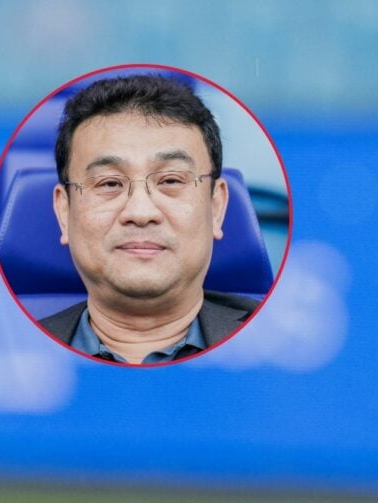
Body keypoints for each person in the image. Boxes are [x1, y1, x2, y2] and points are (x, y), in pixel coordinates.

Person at [42, 74, 257, 364]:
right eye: (109, 184)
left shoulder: (280, 351)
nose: (141, 213)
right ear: (64, 212)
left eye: (170, 180)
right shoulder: (8, 356)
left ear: (216, 206)